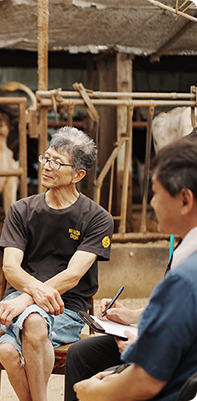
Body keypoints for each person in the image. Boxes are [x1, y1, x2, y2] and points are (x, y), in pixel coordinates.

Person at [64, 128, 197, 401]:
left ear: (185, 200)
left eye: (157, 194)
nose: (151, 203)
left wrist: (97, 392)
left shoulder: (183, 280)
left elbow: (146, 381)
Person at [0, 126, 114, 401]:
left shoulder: (97, 218)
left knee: (33, 324)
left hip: (66, 308)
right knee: (9, 351)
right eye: (45, 158)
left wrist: (25, 299)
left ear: (78, 175)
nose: (47, 167)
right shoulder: (21, 210)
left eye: (57, 163)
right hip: (19, 304)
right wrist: (29, 297)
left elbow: (72, 275)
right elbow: (10, 267)